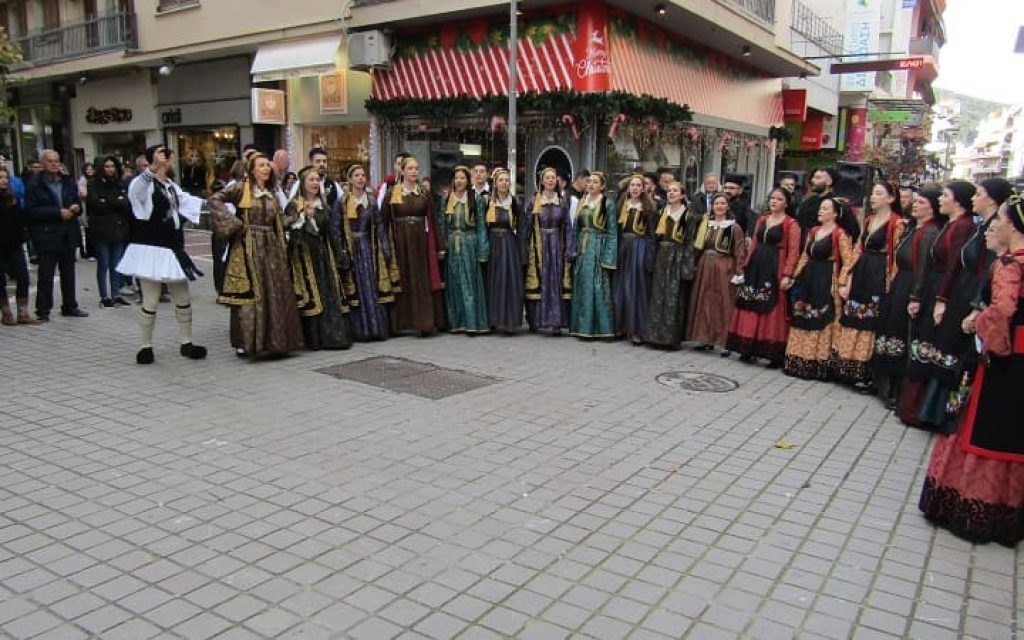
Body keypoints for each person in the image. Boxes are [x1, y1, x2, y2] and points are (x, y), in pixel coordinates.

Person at [918, 193, 1024, 546]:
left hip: (1001, 361)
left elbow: (1002, 310)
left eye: (1001, 220)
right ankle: (1004, 512)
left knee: (977, 428)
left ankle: (970, 505)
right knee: (1012, 434)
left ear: (1014, 227)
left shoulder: (1009, 264)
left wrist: (977, 323)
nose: (995, 226)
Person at [898, 181, 978, 429]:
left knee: (933, 349)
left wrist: (941, 299)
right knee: (924, 347)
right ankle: (912, 407)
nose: (941, 199)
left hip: (943, 290)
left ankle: (923, 409)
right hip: (935, 287)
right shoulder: (951, 225)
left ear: (958, 200)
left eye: (945, 195)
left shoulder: (963, 226)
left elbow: (953, 265)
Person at [209, 152, 305, 359]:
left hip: (271, 248)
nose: (266, 168)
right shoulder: (241, 188)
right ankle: (246, 342)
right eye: (261, 165)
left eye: (267, 165)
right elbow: (215, 199)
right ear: (252, 169)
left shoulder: (271, 194)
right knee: (249, 294)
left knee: (273, 292)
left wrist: (295, 212)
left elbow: (279, 221)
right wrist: (235, 224)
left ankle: (273, 341)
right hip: (248, 246)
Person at [117, 145, 207, 364]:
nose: (169, 160)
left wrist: (217, 202)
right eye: (164, 156)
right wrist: (152, 168)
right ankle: (145, 346)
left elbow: (188, 202)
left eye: (169, 156)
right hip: (151, 248)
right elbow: (136, 192)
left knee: (183, 297)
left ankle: (186, 342)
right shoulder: (144, 184)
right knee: (150, 299)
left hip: (172, 247)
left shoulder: (171, 186)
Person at [872, 187, 944, 409]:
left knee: (901, 332)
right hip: (900, 281)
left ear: (932, 208)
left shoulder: (929, 232)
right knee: (890, 328)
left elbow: (922, 268)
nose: (915, 205)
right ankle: (884, 382)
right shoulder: (913, 228)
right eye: (915, 201)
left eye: (921, 202)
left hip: (911, 285)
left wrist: (916, 296)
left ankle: (897, 388)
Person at [831, 182, 905, 389]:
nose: (873, 197)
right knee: (854, 315)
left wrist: (891, 283)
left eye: (878, 193)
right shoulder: (869, 220)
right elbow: (857, 249)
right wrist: (846, 275)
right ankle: (847, 366)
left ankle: (865, 371)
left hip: (879, 272)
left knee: (871, 319)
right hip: (862, 269)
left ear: (891, 198)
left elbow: (895, 256)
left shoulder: (897, 223)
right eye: (872, 193)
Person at [725, 188, 801, 367]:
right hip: (756, 266)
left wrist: (787, 274)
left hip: (775, 267)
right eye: (772, 198)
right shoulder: (762, 220)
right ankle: (747, 347)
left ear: (786, 203)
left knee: (772, 306)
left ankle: (772, 352)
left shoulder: (791, 224)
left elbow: (794, 252)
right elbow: (754, 243)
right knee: (750, 302)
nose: (774, 201)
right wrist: (745, 265)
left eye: (779, 199)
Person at [782, 197, 854, 380]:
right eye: (820, 208)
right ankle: (799, 359)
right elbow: (805, 256)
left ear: (835, 214)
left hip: (826, 278)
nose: (820, 211)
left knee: (822, 317)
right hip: (809, 277)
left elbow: (848, 261)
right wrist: (794, 276)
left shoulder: (839, 234)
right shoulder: (814, 231)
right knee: (803, 316)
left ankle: (818, 363)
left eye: (825, 208)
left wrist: (842, 283)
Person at [284, 166, 353, 350]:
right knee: (310, 294)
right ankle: (312, 338)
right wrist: (303, 218)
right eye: (311, 180)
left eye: (317, 180)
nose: (315, 183)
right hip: (304, 256)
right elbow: (290, 233)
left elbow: (329, 232)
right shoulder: (294, 205)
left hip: (322, 255)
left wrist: (339, 254)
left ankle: (331, 335)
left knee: (328, 293)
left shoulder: (323, 205)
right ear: (303, 183)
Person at [382, 155, 445, 335]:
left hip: (420, 241)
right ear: (402, 171)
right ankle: (402, 323)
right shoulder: (392, 193)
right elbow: (383, 221)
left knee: (420, 280)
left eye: (416, 168)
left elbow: (433, 221)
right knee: (402, 279)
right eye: (410, 168)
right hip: (400, 241)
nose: (414, 172)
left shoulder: (424, 193)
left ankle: (423, 322)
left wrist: (439, 245)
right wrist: (385, 245)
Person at [337, 164, 399, 341]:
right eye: (356, 175)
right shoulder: (342, 201)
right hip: (352, 247)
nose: (360, 178)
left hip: (368, 247)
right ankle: (360, 330)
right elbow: (336, 227)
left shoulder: (371, 200)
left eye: (362, 175)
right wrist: (341, 250)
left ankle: (375, 327)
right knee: (356, 286)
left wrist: (385, 246)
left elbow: (379, 225)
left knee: (371, 284)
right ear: (350, 179)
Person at [24, 149, 87, 321]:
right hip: (47, 234)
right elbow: (31, 210)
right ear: (42, 163)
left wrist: (76, 207)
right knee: (46, 275)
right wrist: (57, 213)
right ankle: (43, 310)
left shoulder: (67, 181)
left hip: (68, 233)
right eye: (50, 161)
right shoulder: (34, 184)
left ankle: (70, 306)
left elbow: (77, 203)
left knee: (69, 273)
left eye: (57, 161)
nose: (54, 164)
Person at [688, 193, 747, 352]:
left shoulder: (734, 228)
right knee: (704, 302)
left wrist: (739, 271)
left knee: (722, 303)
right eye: (716, 204)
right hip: (705, 266)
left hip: (723, 267)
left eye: (722, 203)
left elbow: (739, 251)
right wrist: (694, 264)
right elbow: (698, 246)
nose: (719, 206)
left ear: (728, 206)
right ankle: (704, 338)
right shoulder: (706, 224)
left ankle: (724, 340)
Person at [645, 182, 700, 349]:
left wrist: (687, 267)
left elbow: (689, 242)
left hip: (678, 256)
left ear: (682, 195)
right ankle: (655, 336)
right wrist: (651, 260)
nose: (671, 193)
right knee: (658, 296)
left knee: (674, 298)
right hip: (662, 255)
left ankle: (671, 339)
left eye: (675, 191)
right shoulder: (660, 212)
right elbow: (653, 239)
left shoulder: (689, 215)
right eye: (669, 191)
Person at [438, 165, 489, 334]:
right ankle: (456, 322)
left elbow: (481, 226)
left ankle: (472, 323)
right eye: (456, 178)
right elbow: (442, 224)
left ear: (468, 181)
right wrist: (442, 245)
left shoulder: (475, 199)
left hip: (469, 244)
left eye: (462, 178)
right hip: (452, 245)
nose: (459, 181)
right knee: (454, 283)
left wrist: (483, 250)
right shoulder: (447, 199)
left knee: (470, 283)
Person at [522, 167, 572, 335]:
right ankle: (537, 321)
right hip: (539, 246)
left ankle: (556, 322)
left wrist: (569, 248)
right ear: (542, 181)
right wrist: (524, 248)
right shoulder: (534, 201)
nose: (551, 180)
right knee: (540, 281)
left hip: (556, 247)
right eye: (548, 178)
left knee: (555, 281)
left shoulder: (562, 202)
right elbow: (527, 226)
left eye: (553, 178)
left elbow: (568, 227)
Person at [568, 171, 617, 338]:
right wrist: (573, 249)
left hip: (598, 248)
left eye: (595, 182)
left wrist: (609, 257)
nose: (591, 184)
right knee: (582, 285)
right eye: (589, 182)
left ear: (602, 186)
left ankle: (600, 328)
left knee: (598, 287)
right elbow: (576, 228)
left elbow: (612, 232)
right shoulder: (582, 201)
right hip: (583, 248)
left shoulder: (608, 204)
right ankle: (581, 327)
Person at [612, 174, 658, 344]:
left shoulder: (648, 208)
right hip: (623, 248)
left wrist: (648, 256)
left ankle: (637, 330)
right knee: (620, 289)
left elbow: (651, 236)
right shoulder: (621, 205)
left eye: (638, 185)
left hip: (639, 249)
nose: (635, 188)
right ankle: (621, 327)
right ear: (628, 187)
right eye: (632, 185)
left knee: (636, 291)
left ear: (643, 188)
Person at [87, 155, 133, 308]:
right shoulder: (93, 183)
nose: (110, 169)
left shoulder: (118, 183)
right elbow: (96, 205)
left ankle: (116, 294)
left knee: (116, 263)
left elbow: (125, 203)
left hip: (118, 229)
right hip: (101, 230)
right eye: (107, 166)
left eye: (112, 166)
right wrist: (115, 201)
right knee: (104, 263)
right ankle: (104, 296)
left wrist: (108, 200)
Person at [482, 167, 524, 333]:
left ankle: (509, 321)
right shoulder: (487, 202)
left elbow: (521, 226)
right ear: (495, 183)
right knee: (493, 280)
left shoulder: (515, 202)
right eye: (501, 180)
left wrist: (521, 248)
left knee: (509, 281)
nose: (504, 183)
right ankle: (493, 319)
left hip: (508, 244)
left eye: (507, 180)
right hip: (493, 242)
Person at [0, 167, 39, 325]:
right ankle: (6, 313)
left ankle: (23, 313)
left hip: (15, 245)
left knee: (23, 277)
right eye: (0, 177)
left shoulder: (13, 199)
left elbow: (20, 221)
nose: (3, 180)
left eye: (5, 177)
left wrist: (22, 236)